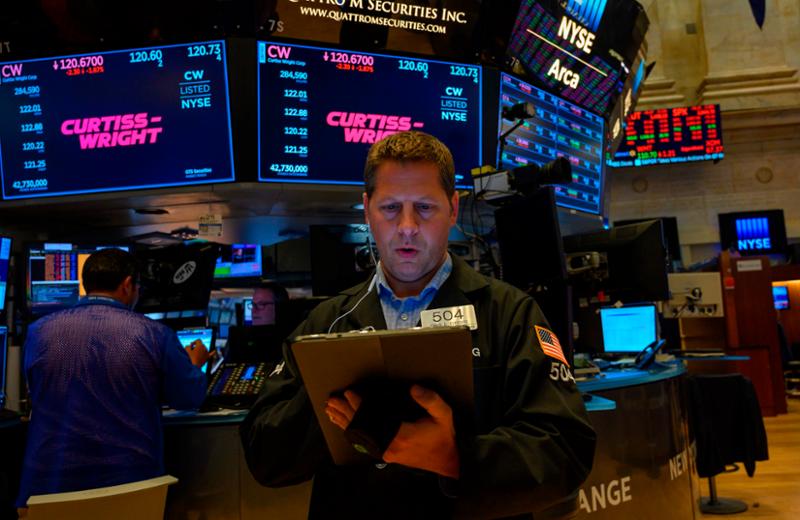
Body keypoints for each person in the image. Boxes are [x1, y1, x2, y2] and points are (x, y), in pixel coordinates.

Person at [240, 131, 596, 518]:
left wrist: (456, 457)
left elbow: (566, 449)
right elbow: (263, 457)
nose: (407, 226)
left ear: (453, 209)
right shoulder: (325, 323)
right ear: (367, 209)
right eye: (391, 207)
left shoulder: (510, 313)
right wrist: (331, 402)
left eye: (425, 207)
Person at [17, 248, 209, 508]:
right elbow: (188, 398)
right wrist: (194, 364)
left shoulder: (38, 332)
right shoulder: (154, 334)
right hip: (129, 484)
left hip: (49, 486)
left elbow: (36, 388)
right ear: (127, 284)